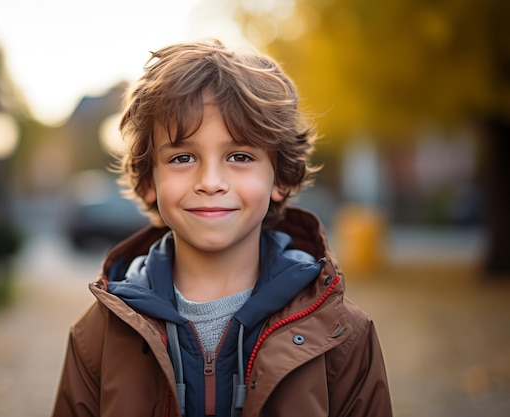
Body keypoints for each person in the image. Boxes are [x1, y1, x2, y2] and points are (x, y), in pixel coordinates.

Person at [52, 39, 392, 417]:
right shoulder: (97, 337)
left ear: (278, 176)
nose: (211, 181)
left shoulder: (342, 334)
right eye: (183, 157)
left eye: (240, 156)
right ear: (150, 180)